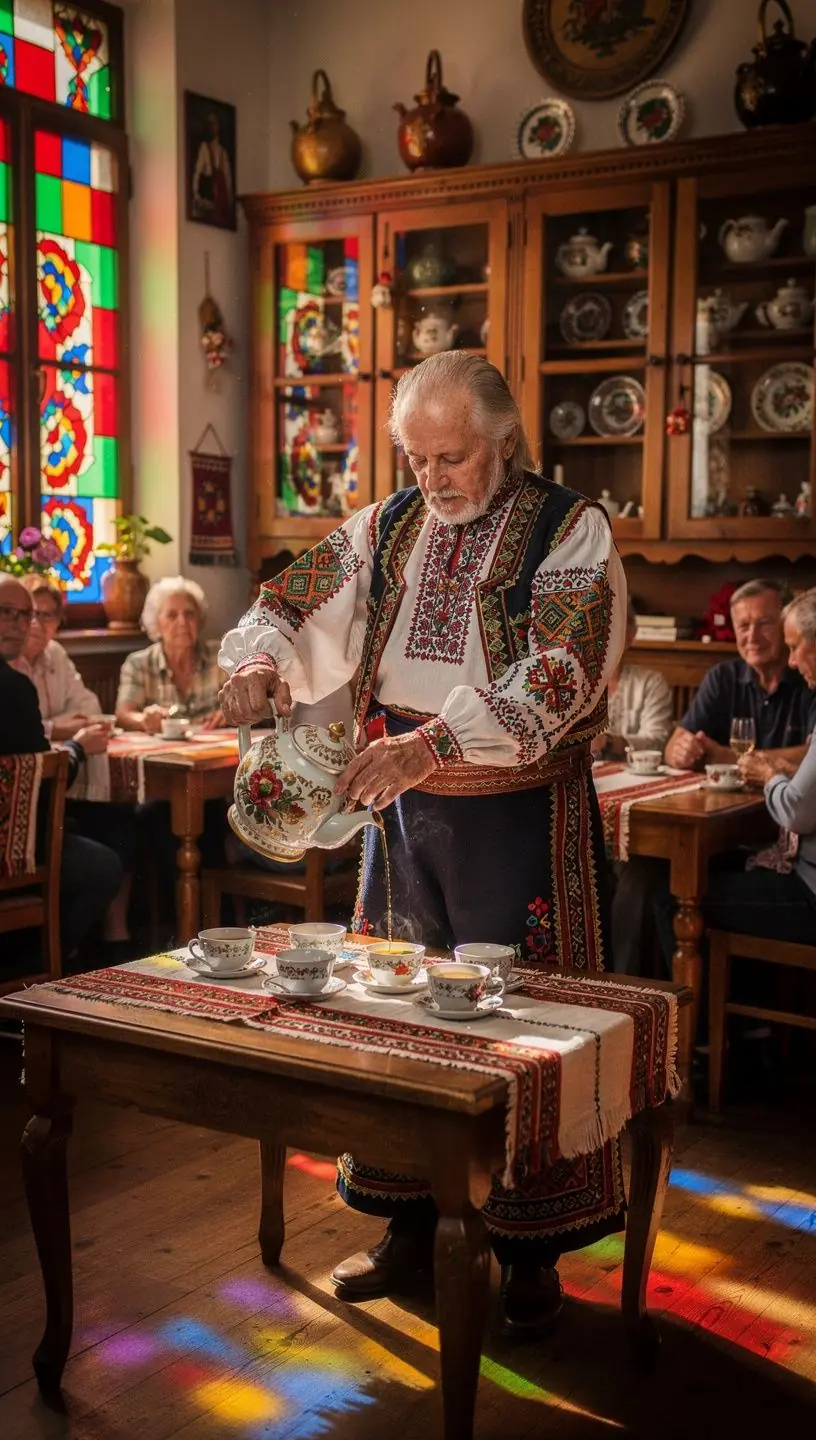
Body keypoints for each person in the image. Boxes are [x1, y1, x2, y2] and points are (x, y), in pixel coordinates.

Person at [218, 352, 628, 1336]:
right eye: (413, 458)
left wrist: (437, 742)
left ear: (504, 443)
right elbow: (296, 593)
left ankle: (533, 1250)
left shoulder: (572, 529)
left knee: (529, 1028)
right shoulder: (388, 524)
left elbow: (561, 673)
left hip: (520, 813)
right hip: (400, 806)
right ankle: (407, 1219)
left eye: (450, 459)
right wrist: (255, 658)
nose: (429, 481)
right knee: (393, 1011)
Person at [0, 576, 122, 967]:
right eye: (7, 613)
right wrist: (76, 750)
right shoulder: (14, 689)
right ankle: (35, 966)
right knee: (104, 864)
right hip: (11, 855)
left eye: (28, 615)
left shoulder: (41, 668)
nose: (20, 624)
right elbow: (40, 784)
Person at [664, 579, 815, 773]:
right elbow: (672, 748)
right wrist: (682, 751)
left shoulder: (810, 676)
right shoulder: (722, 677)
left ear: (786, 626)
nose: (752, 637)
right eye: (744, 626)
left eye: (764, 623)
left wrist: (728, 757)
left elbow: (812, 758)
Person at [116, 577, 225, 732]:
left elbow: (247, 702)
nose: (182, 622)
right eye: (172, 615)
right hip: (161, 754)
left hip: (217, 751)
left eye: (189, 614)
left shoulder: (221, 657)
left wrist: (231, 714)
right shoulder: (138, 664)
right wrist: (144, 720)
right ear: (156, 623)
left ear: (199, 620)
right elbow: (124, 715)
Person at [12, 576, 102, 738]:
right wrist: (54, 729)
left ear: (57, 623)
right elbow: (11, 726)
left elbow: (89, 707)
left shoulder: (55, 653)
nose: (37, 623)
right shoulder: (6, 656)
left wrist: (49, 726)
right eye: (30, 613)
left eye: (46, 615)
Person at [591, 598, 674, 761]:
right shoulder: (572, 684)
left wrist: (610, 742)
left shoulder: (650, 683)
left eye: (612, 625)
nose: (602, 633)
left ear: (631, 634)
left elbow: (657, 742)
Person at [191, 110, 234, 227]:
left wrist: (229, 205)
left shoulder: (223, 153)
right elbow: (197, 173)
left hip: (219, 205)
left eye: (214, 123)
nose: (212, 127)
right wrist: (196, 195)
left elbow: (228, 181)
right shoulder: (204, 149)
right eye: (209, 123)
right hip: (208, 203)